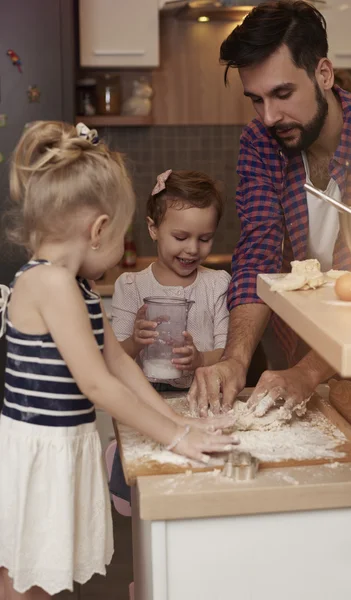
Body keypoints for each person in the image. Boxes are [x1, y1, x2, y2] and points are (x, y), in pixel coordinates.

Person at [0, 122, 238, 599]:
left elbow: (121, 364)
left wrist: (177, 417)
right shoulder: (48, 284)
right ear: (98, 230)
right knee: (25, 577)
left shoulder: (78, 287)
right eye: (121, 236)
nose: (121, 251)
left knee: (48, 573)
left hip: (63, 445)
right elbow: (97, 385)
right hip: (38, 452)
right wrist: (175, 437)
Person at [187, 0, 351, 417]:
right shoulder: (260, 142)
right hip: (302, 362)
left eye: (282, 94)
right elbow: (257, 256)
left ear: (323, 73)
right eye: (256, 100)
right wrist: (236, 360)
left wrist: (305, 373)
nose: (268, 117)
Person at [109, 169, 231, 501]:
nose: (192, 249)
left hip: (198, 402)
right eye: (181, 237)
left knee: (194, 485)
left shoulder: (216, 284)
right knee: (146, 486)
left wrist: (200, 359)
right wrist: (135, 340)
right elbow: (115, 357)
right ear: (153, 229)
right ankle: (117, 466)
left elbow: (228, 352)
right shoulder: (132, 287)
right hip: (147, 404)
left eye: (204, 239)